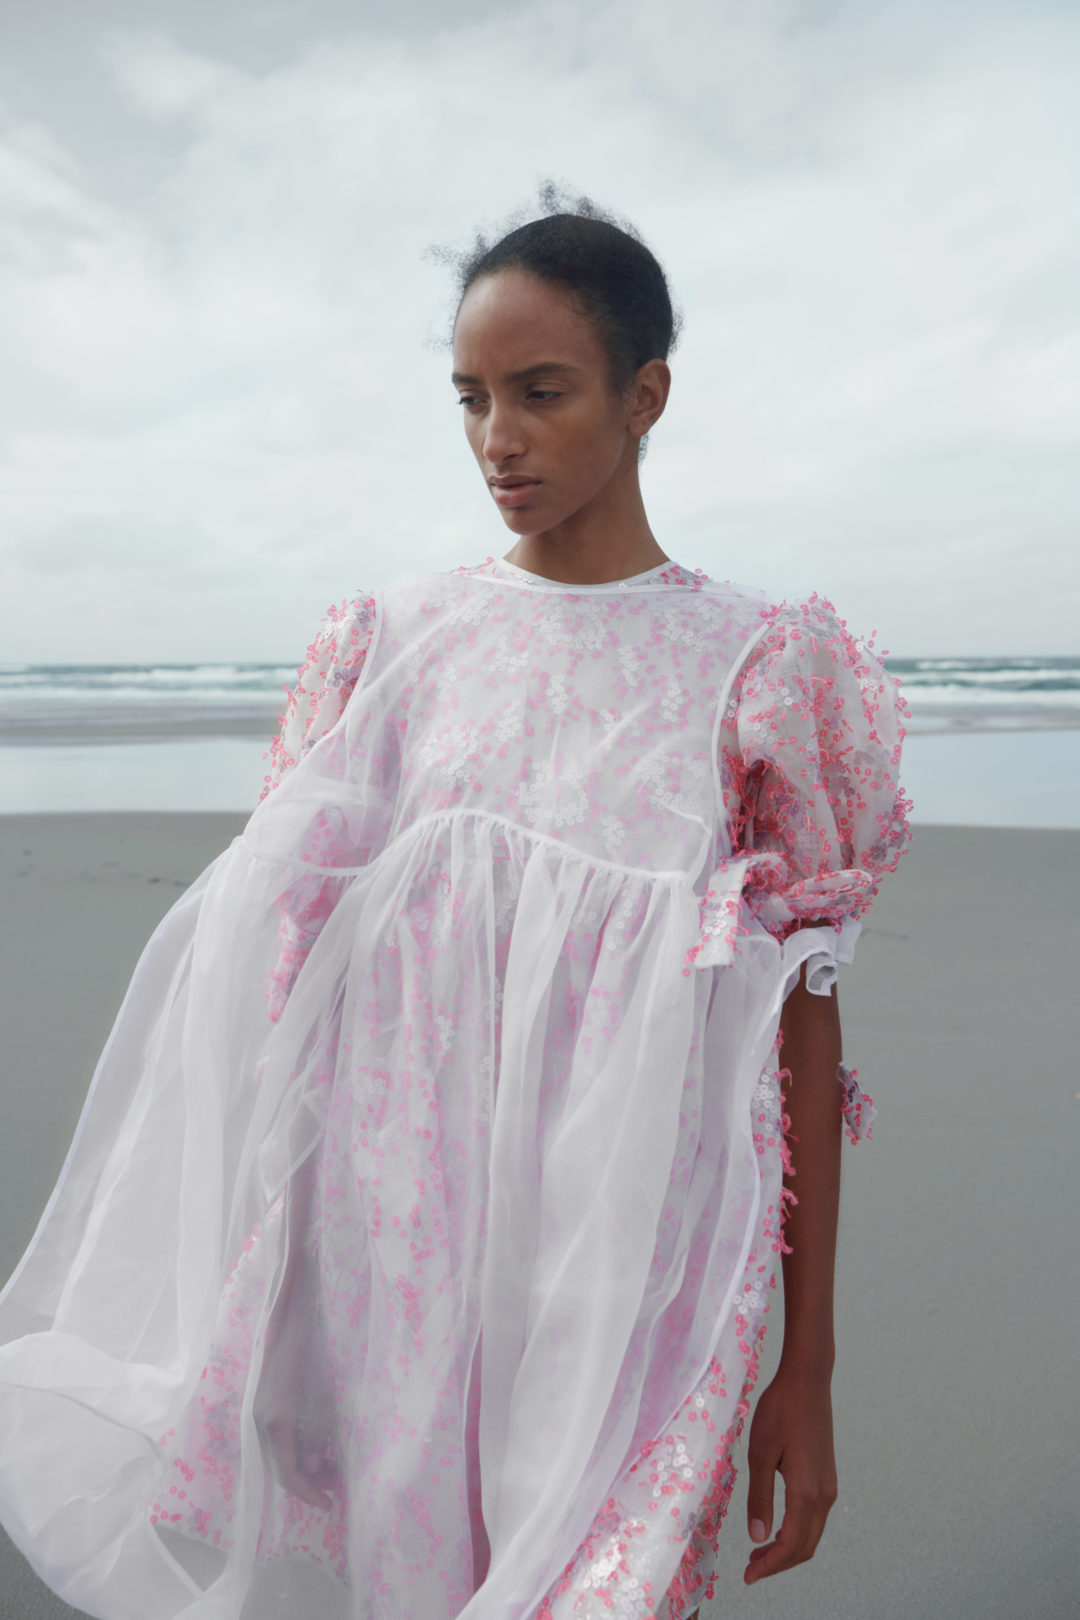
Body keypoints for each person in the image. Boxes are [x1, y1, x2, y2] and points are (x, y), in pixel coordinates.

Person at [0, 193, 910, 1620]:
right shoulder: (392, 650)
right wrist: (266, 1284)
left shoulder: (757, 668)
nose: (499, 439)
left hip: (630, 1263)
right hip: (398, 1265)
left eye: (542, 393)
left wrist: (811, 1364)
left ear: (645, 395)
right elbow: (288, 987)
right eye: (472, 399)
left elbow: (799, 1026)